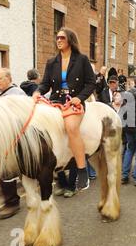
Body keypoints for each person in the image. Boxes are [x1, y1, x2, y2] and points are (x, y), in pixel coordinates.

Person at [34, 27, 96, 192]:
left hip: (74, 102)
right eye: (57, 38)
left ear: (70, 40)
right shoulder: (51, 62)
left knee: (70, 127)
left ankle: (82, 170)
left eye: (62, 37)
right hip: (55, 101)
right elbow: (45, 84)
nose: (58, 40)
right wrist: (37, 92)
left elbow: (91, 83)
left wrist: (79, 98)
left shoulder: (82, 60)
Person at [0, 68, 27, 219]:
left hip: (14, 139)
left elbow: (23, 116)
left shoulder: (17, 93)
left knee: (7, 171)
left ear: (9, 78)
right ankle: (9, 201)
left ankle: (12, 203)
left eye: (0, 78)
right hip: (2, 139)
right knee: (3, 171)